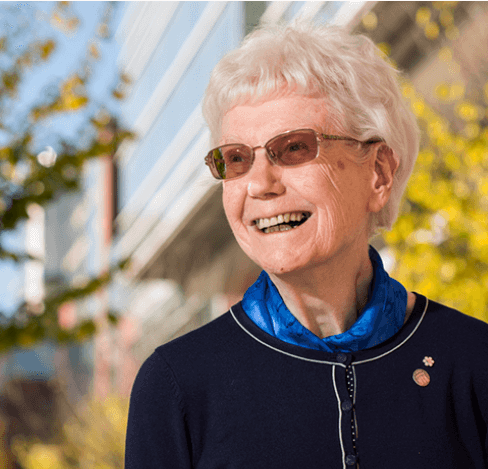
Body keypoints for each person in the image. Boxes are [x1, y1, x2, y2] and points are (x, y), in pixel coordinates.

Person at [124, 22, 488, 469]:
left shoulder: (475, 362)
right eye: (236, 158)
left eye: (294, 148)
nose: (259, 184)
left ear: (379, 173)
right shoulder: (177, 386)